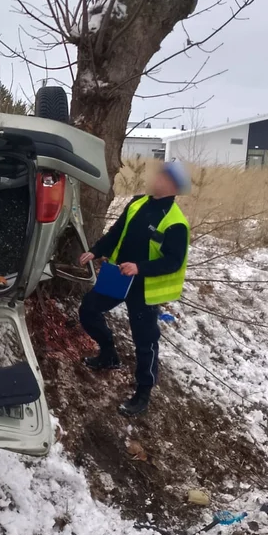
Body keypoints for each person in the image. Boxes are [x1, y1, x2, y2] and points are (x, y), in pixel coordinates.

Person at [78, 160, 191, 417]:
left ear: (172, 185)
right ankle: (108, 354)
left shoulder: (175, 223)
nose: (154, 179)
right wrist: (95, 250)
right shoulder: (137, 202)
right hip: (118, 275)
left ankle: (143, 392)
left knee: (145, 341)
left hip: (145, 287)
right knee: (88, 310)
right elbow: (117, 232)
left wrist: (139, 268)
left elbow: (173, 261)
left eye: (161, 177)